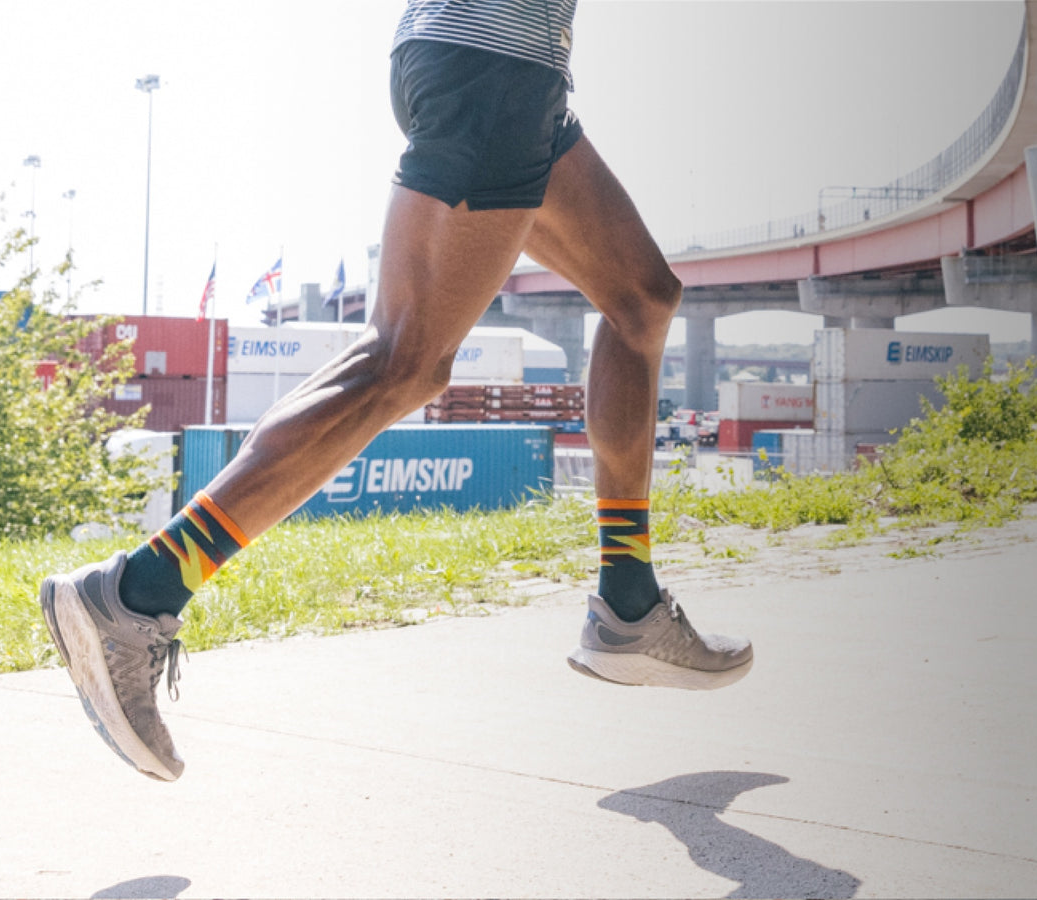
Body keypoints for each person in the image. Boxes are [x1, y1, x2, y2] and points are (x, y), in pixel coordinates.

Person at [38, 0, 753, 783]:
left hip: (520, 71)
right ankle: (138, 592)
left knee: (641, 300)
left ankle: (629, 601)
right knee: (404, 362)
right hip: (491, 65)